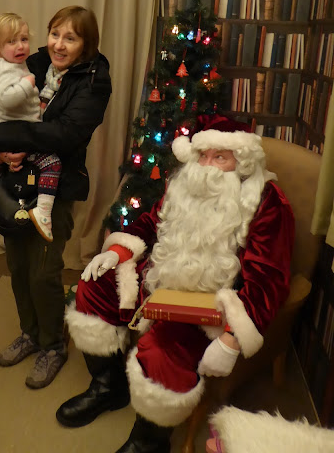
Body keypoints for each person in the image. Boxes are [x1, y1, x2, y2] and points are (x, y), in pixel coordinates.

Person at [56, 114, 294, 453]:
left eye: (220, 157)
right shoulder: (184, 185)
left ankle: (150, 440)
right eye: (202, 155)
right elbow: (151, 221)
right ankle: (108, 386)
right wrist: (118, 251)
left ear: (241, 161)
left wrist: (232, 338)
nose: (207, 166)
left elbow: (269, 279)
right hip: (160, 278)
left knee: (164, 350)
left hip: (210, 302)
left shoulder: (267, 202)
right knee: (93, 288)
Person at [0, 5, 112, 389]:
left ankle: (53, 346)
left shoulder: (95, 80)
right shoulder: (35, 60)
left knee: (42, 272)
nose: (58, 44)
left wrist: (4, 137)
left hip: (56, 186)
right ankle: (30, 333)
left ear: (86, 44)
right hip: (16, 182)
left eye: (70, 38)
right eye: (55, 34)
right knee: (18, 266)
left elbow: (66, 134)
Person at [0, 12, 63, 241]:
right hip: (17, 131)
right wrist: (28, 84)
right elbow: (6, 99)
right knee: (52, 163)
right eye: (11, 41)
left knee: (5, 157)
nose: (20, 46)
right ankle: (43, 211)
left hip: (6, 128)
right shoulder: (9, 69)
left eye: (24, 39)